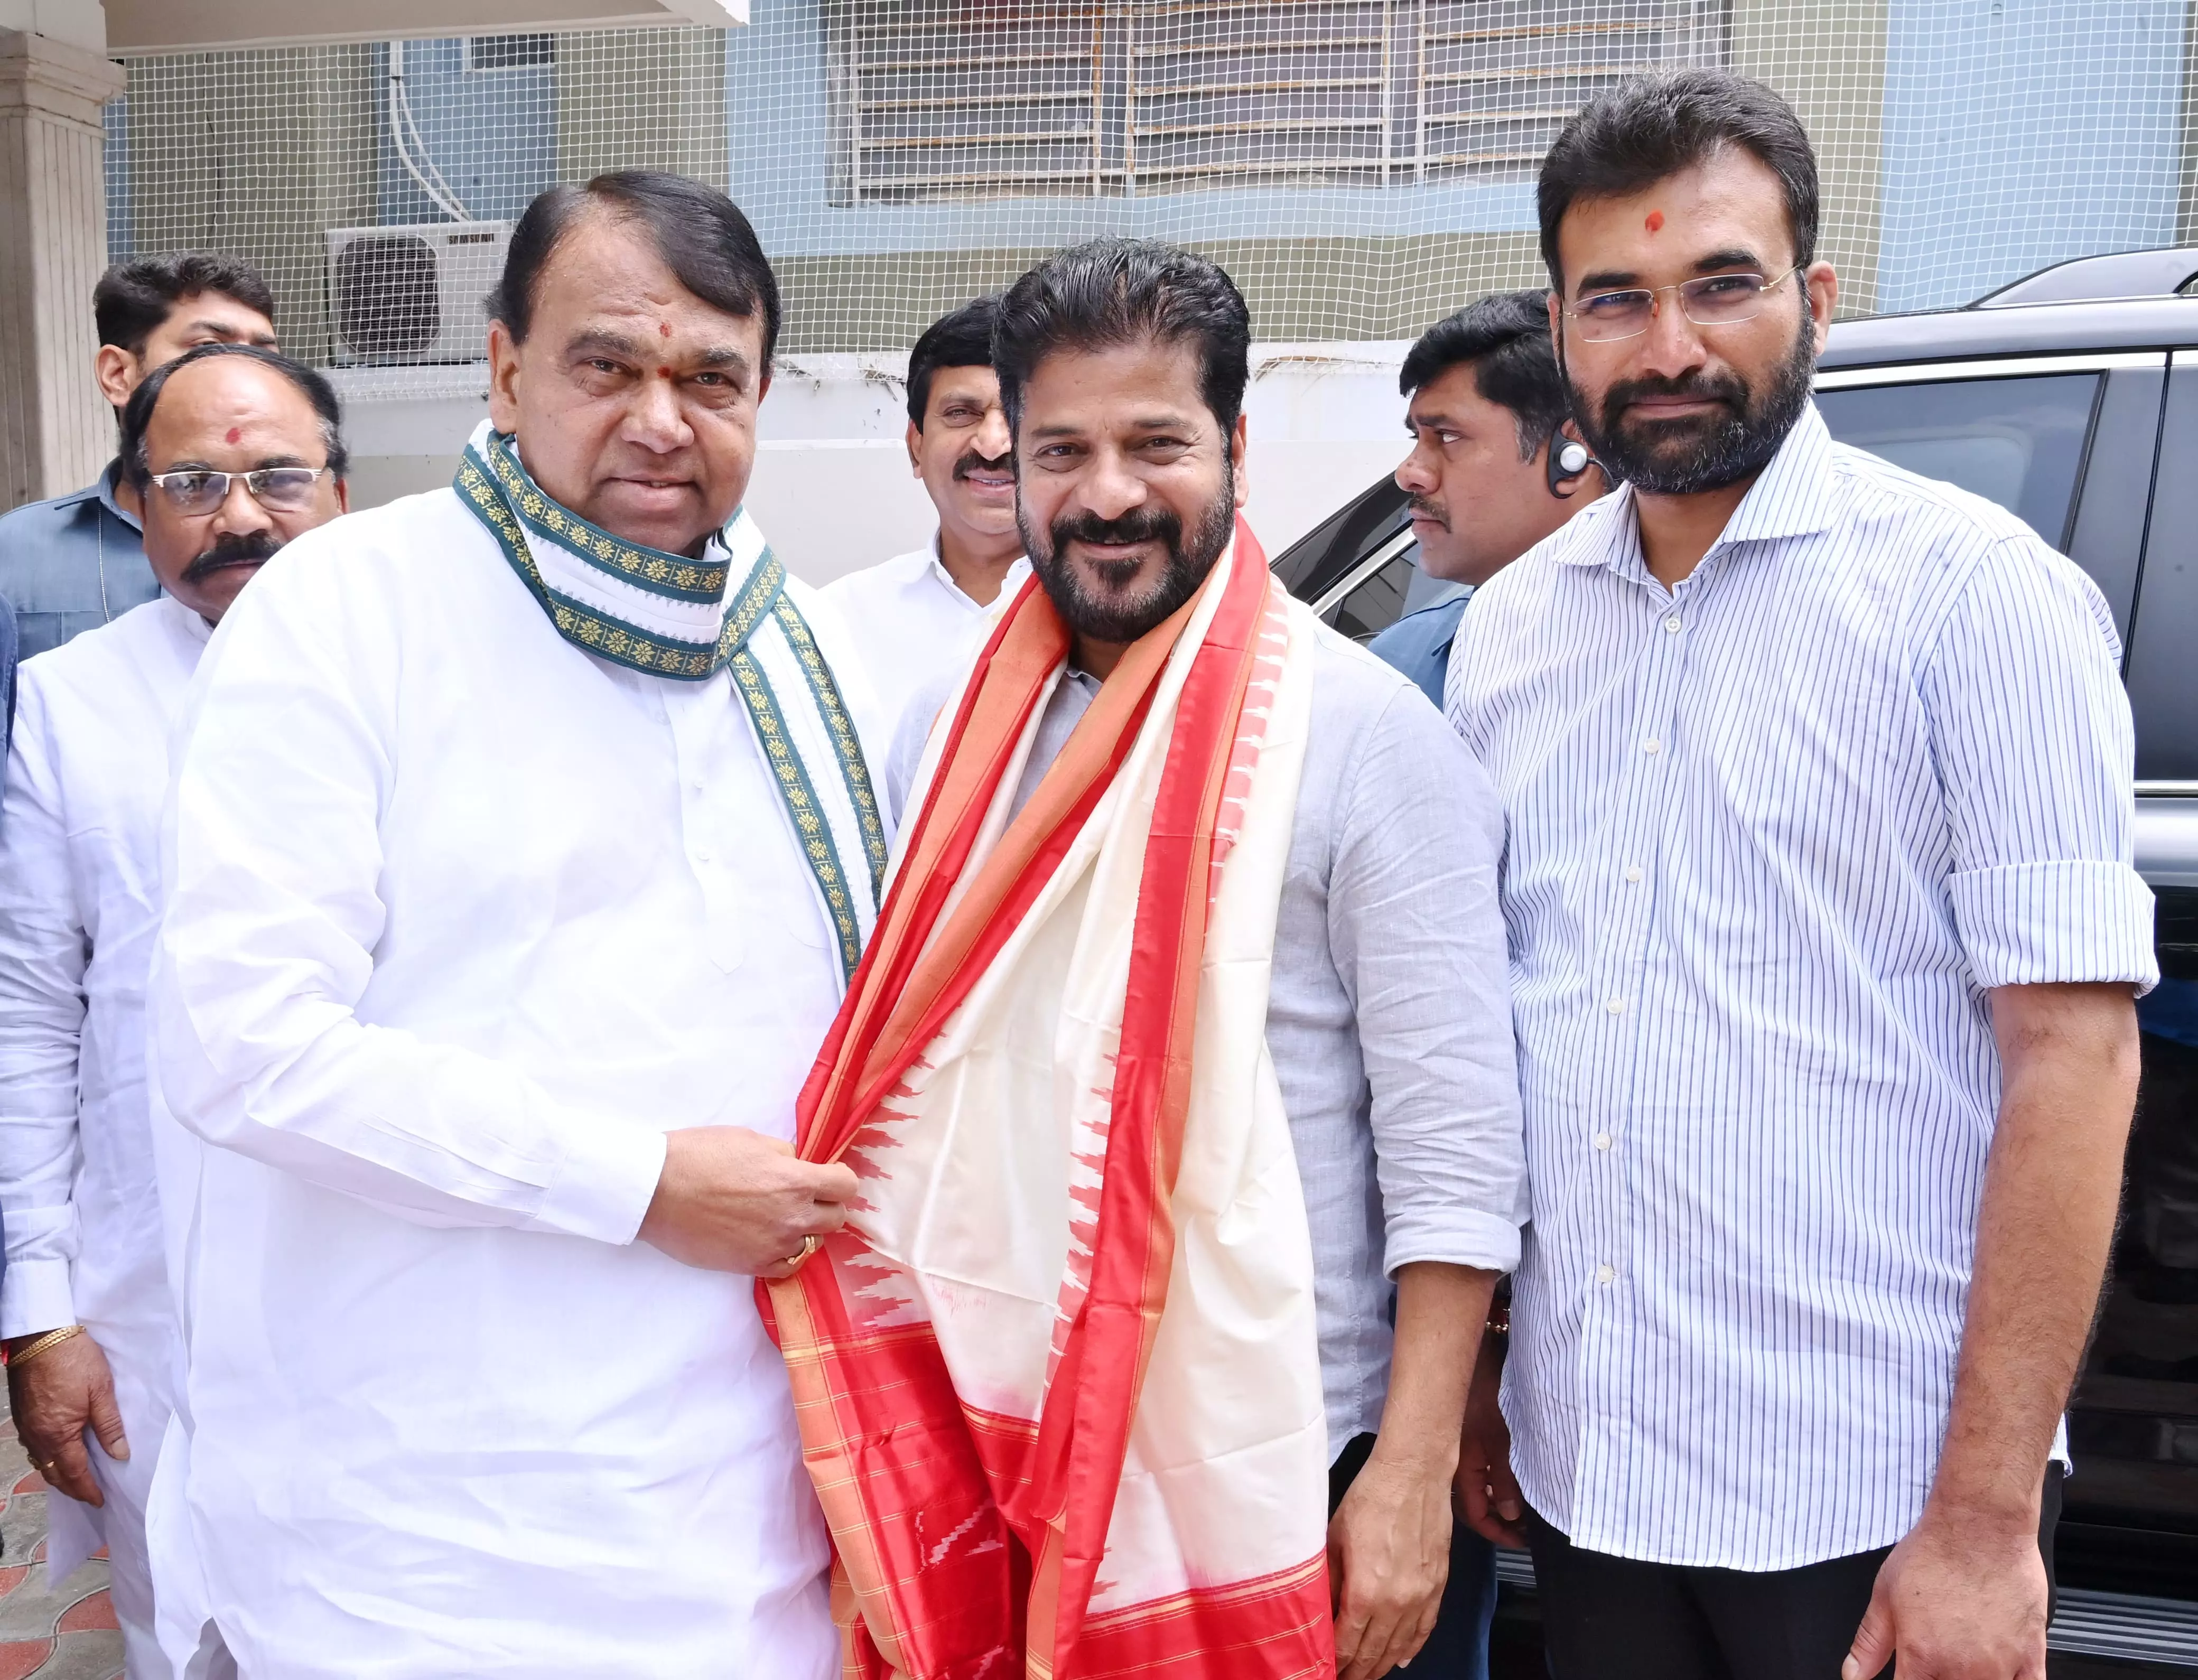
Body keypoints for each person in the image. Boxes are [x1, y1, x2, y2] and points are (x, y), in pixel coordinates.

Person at [1447, 70, 2153, 1680]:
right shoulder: (1512, 635)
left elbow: (2076, 1059)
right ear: (1559, 327)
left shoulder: (1976, 603)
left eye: (1722, 285)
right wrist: (1490, 1363)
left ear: (1815, 298)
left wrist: (1980, 1524)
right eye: (1616, 299)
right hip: (1590, 1467)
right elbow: (1517, 1028)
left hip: (1869, 1492)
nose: (1671, 346)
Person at [145, 172, 888, 1678]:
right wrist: (637, 1179)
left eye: (711, 377)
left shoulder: (802, 650)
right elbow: (246, 1048)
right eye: (607, 365)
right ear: (505, 367)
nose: (662, 419)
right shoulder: (348, 611)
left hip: (737, 1533)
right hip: (416, 1549)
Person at [762, 239, 1525, 1680]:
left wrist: (1413, 1476)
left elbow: (1458, 1154)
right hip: (1011, 1437)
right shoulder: (948, 735)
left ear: (1234, 447)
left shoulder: (1367, 741)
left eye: (1154, 442)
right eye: (1063, 449)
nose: (1106, 493)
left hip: (1290, 1463)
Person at [0, 343, 348, 1677]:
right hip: (152, 1300)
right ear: (133, 503)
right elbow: (32, 1017)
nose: (241, 515)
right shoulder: (73, 702)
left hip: (380, 1285)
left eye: (277, 477)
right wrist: (43, 1311)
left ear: (338, 491)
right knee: (183, 1636)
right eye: (193, 482)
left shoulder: (439, 688)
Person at [0, 255, 277, 660]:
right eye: (208, 349)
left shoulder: (321, 549)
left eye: (265, 353)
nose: (247, 373)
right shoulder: (15, 552)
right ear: (119, 375)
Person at [1369, 289, 1607, 708]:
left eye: (1448, 436)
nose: (1408, 475)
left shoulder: (1699, 649)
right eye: (1417, 438)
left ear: (1574, 456)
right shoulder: (1396, 670)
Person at [821, 295, 1029, 729]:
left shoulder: (1114, 612)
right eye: (960, 414)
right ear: (916, 447)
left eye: (1018, 414)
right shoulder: (834, 624)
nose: (993, 445)